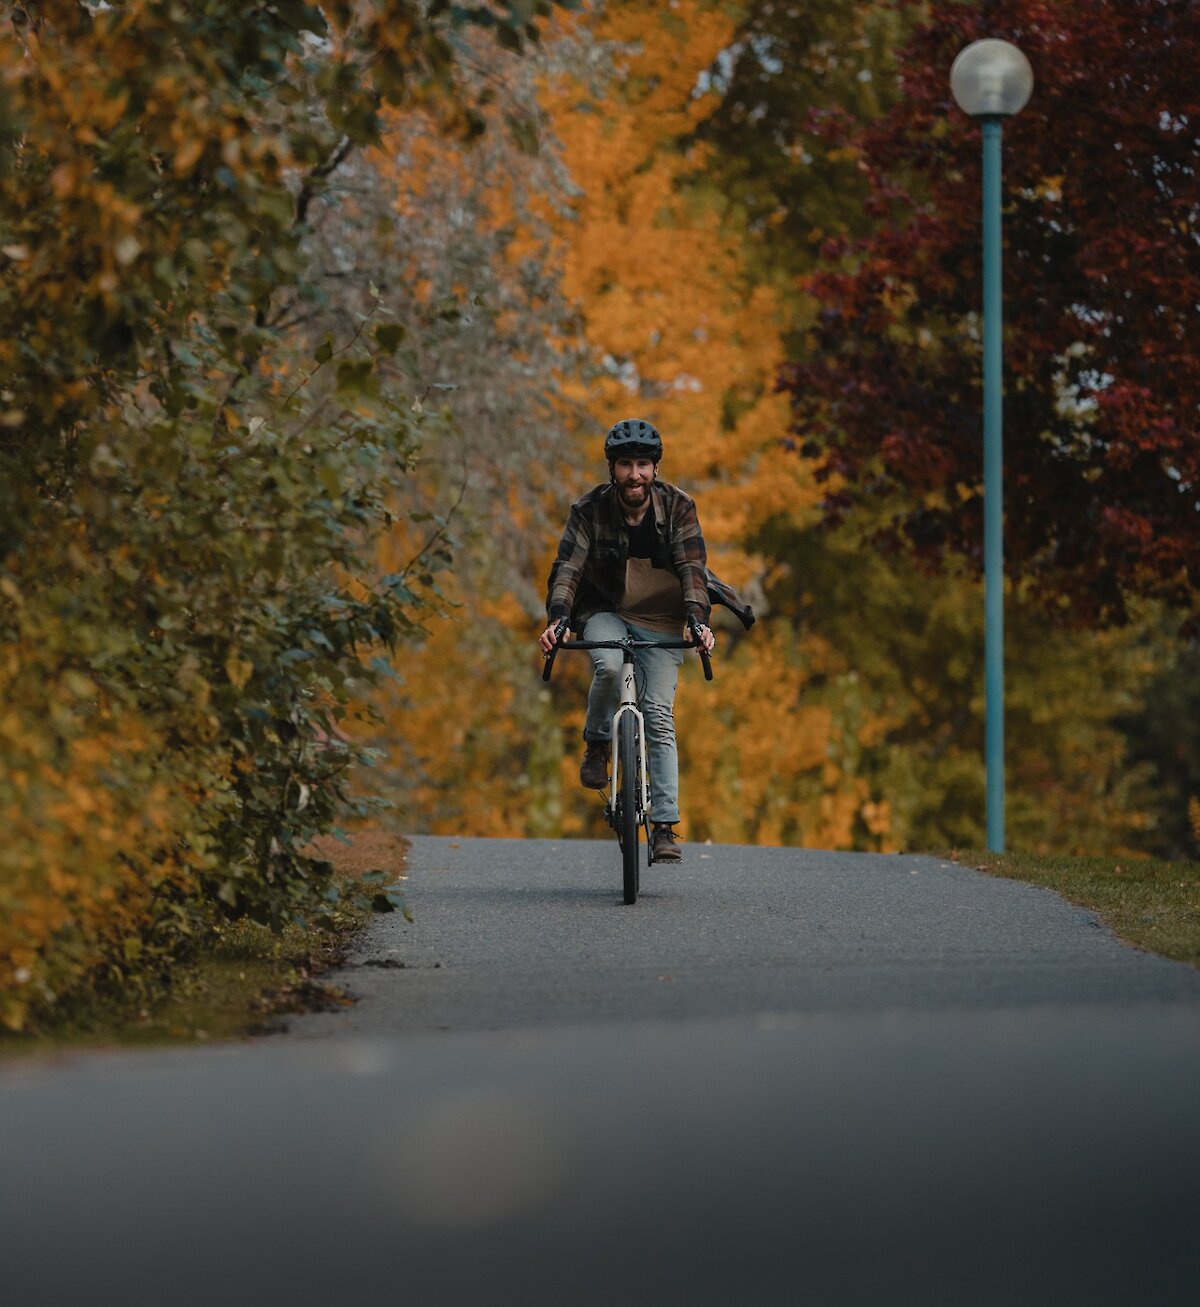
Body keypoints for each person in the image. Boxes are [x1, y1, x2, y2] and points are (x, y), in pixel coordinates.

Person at [539, 419, 755, 862]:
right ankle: (598, 743)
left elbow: (693, 569)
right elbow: (568, 569)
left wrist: (698, 621)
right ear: (612, 469)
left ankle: (664, 827)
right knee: (608, 665)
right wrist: (559, 619)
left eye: (642, 464)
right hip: (606, 610)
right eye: (624, 465)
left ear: (654, 469)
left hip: (661, 615)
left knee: (658, 715)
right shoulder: (589, 510)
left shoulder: (678, 507)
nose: (634, 474)